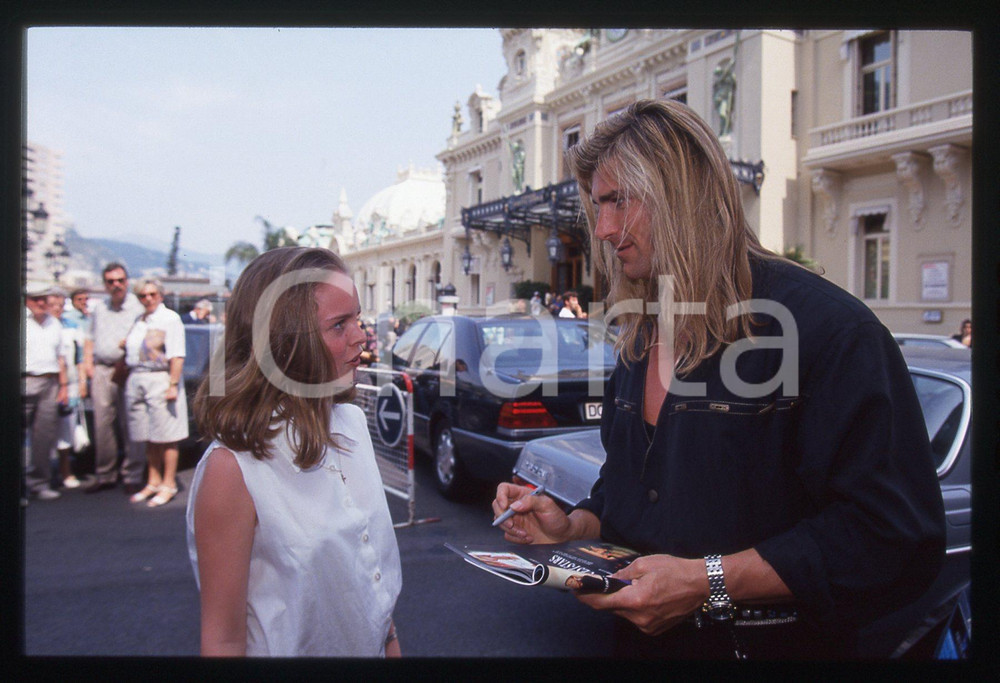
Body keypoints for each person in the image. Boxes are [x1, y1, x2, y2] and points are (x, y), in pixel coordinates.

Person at [492, 100, 945, 659]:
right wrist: (574, 527)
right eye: (597, 207)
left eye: (619, 202)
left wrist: (709, 580)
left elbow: (892, 537)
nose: (604, 230)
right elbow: (633, 498)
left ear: (683, 194)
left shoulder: (828, 330)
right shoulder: (639, 336)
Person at [185, 247, 402, 657]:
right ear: (283, 345)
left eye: (357, 318)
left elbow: (373, 595)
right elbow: (223, 640)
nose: (361, 336)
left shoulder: (353, 423)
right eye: (339, 325)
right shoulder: (231, 470)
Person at [81, 263, 146, 494]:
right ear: (105, 284)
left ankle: (133, 474)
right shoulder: (100, 308)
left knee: (131, 423)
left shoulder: (138, 307)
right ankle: (105, 473)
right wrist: (88, 365)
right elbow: (89, 338)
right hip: (102, 369)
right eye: (110, 281)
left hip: (127, 369)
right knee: (102, 424)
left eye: (120, 280)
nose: (116, 285)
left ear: (126, 281)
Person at [123, 278, 187, 507]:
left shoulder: (170, 318)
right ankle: (153, 480)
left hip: (160, 378)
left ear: (160, 295)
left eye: (152, 294)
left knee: (166, 435)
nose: (148, 299)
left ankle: (169, 483)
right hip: (137, 378)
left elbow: (177, 355)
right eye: (143, 296)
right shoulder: (139, 320)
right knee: (148, 434)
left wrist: (172, 384)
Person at [23, 285, 68, 501]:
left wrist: (64, 386)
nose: (40, 303)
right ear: (27, 300)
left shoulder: (54, 323)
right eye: (35, 299)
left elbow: (61, 357)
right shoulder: (19, 321)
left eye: (43, 299)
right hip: (25, 380)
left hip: (50, 382)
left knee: (44, 437)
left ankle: (39, 483)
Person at [48, 287, 88, 489]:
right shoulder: (39, 326)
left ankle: (65, 472)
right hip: (48, 385)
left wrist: (81, 383)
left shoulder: (71, 327)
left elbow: (80, 358)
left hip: (70, 385)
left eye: (60, 305)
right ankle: (45, 474)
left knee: (66, 429)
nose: (56, 309)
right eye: (52, 305)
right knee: (44, 431)